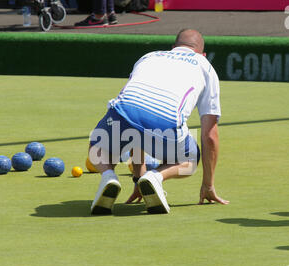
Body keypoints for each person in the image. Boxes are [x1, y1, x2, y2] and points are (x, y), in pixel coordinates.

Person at [88, 29, 230, 215]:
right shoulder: (205, 66)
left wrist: (138, 178)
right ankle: (156, 177)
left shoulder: (149, 56)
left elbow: (136, 119)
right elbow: (210, 135)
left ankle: (108, 176)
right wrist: (208, 185)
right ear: (202, 54)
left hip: (122, 114)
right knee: (190, 160)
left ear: (173, 48)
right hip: (166, 124)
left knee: (97, 148)